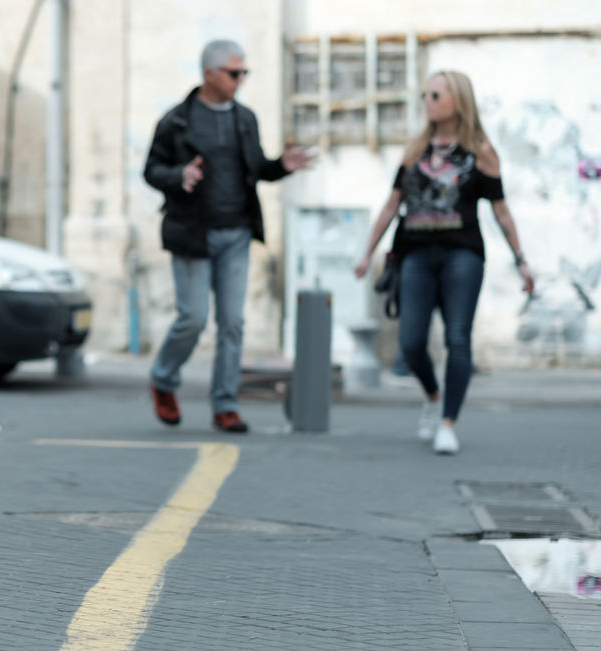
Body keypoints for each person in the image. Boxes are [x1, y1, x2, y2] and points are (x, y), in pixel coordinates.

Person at [355, 70, 535, 455]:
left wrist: (521, 261)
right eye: (425, 94)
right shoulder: (414, 151)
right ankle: (434, 397)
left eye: (436, 93)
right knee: (412, 342)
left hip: (462, 254)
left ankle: (448, 422)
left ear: (457, 100)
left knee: (457, 337)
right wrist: (367, 252)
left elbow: (502, 212)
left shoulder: (481, 154)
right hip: (417, 255)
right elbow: (391, 206)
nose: (428, 100)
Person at [143, 39, 314, 433]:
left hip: (236, 233)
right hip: (192, 234)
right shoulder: (177, 121)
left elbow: (257, 168)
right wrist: (178, 176)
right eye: (235, 72)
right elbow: (152, 170)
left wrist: (281, 166)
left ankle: (225, 405)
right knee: (193, 318)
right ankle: (163, 380)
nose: (241, 79)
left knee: (233, 323)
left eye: (243, 72)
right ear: (210, 74)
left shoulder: (245, 119)